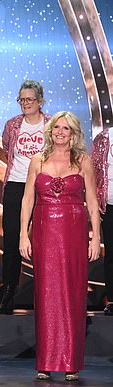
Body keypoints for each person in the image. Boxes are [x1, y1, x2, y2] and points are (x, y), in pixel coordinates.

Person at [19, 111, 100, 381]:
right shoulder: (37, 160)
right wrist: (22, 234)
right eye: (57, 128)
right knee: (46, 292)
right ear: (50, 130)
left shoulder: (83, 161)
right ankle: (45, 360)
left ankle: (70, 362)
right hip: (44, 233)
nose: (61, 132)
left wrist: (96, 237)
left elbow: (92, 201)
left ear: (74, 133)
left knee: (72, 292)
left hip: (74, 233)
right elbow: (27, 199)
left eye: (66, 128)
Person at [0, 81, 51, 314]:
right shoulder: (12, 125)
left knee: (45, 242)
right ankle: (9, 292)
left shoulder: (51, 124)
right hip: (17, 185)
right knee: (11, 241)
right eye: (21, 99)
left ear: (40, 101)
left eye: (29, 99)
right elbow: (7, 146)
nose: (25, 104)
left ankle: (47, 295)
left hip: (45, 186)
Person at [92, 126, 113, 315]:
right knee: (111, 254)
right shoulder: (104, 137)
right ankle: (112, 299)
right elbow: (95, 170)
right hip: (110, 203)